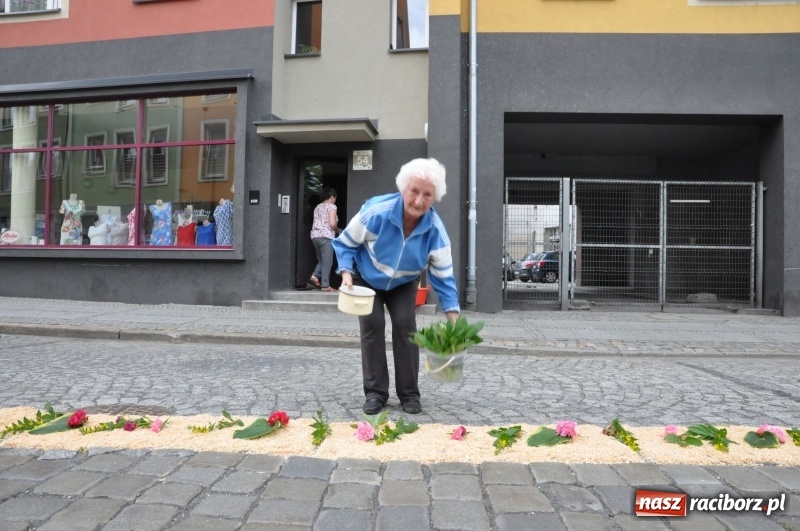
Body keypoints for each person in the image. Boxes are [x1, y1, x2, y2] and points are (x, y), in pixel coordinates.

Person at [333, 158, 459, 415]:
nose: (419, 200)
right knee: (373, 325)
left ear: (435, 197)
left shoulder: (435, 231)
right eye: (414, 191)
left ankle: (410, 394)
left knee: (405, 324)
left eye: (427, 195)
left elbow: (443, 276)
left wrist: (452, 316)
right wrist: (345, 273)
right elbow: (345, 242)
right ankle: (376, 392)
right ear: (403, 189)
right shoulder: (376, 212)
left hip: (404, 281)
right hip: (366, 276)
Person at [309, 187, 340, 291]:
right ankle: (325, 285)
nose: (335, 199)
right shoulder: (332, 206)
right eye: (335, 197)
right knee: (328, 261)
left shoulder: (318, 207)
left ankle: (315, 275)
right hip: (326, 236)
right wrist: (338, 230)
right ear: (332, 197)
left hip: (315, 236)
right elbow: (332, 224)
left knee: (322, 259)